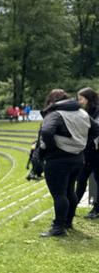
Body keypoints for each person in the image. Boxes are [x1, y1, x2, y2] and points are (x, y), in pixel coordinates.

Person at [38, 89, 99, 236]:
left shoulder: (55, 114)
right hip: (77, 158)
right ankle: (68, 222)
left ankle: (58, 227)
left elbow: (46, 132)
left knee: (59, 194)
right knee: (70, 191)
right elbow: (96, 130)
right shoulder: (82, 113)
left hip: (58, 160)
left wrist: (52, 149)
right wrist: (82, 143)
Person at [75, 87, 99, 219]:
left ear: (89, 99)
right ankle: (73, 204)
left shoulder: (97, 111)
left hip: (96, 151)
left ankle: (97, 208)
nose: (79, 101)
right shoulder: (85, 111)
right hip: (87, 150)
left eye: (81, 99)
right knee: (81, 178)